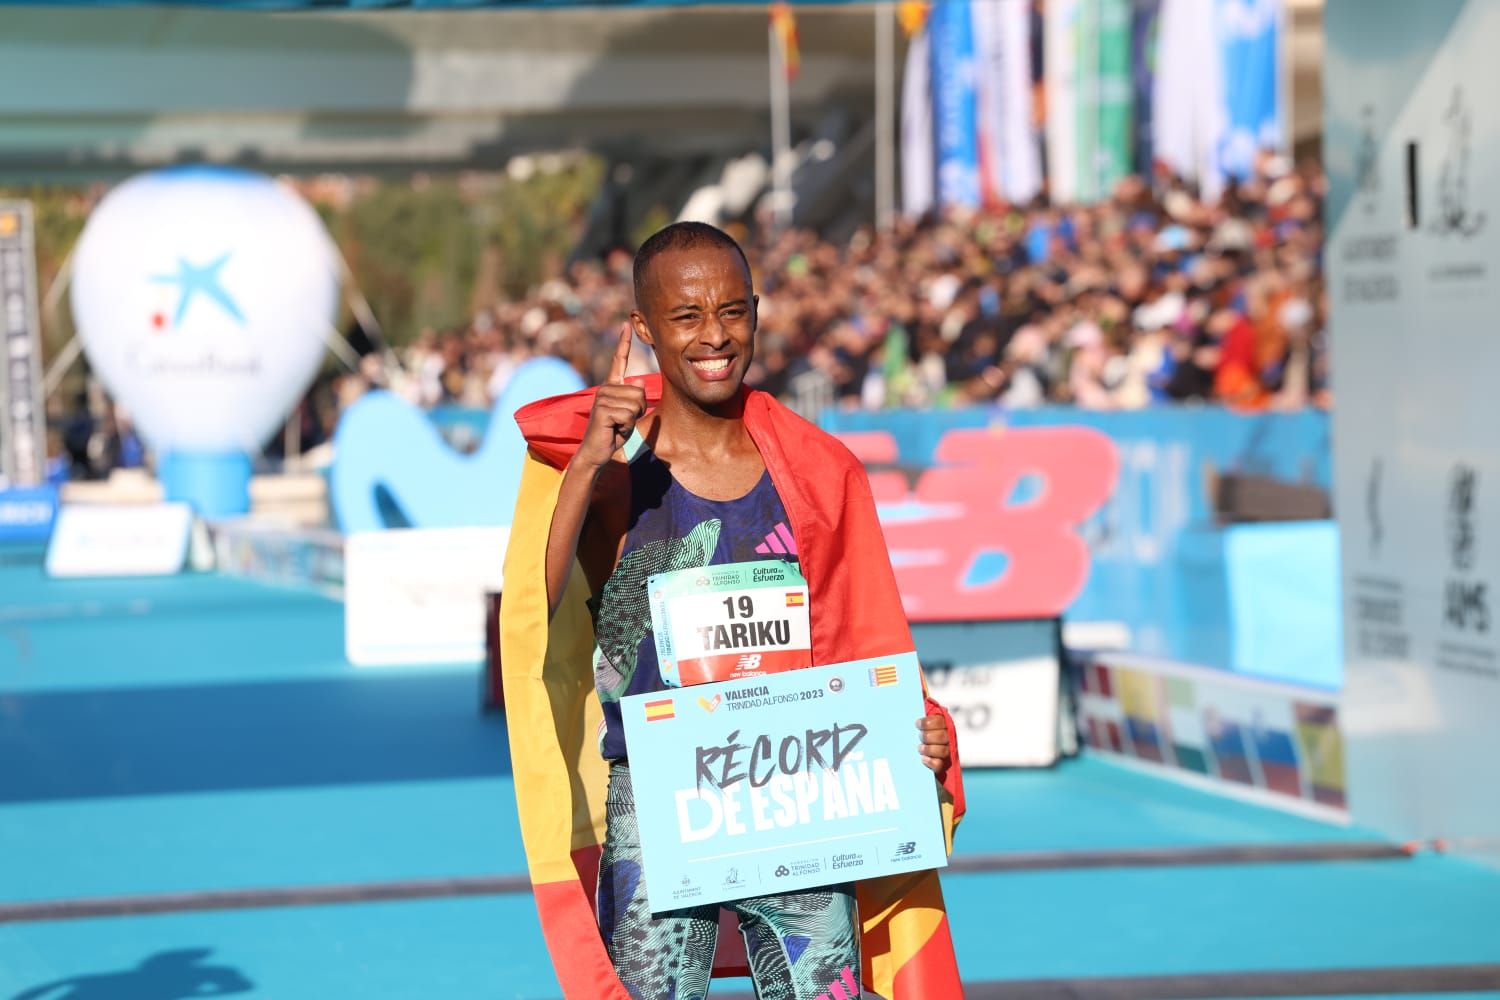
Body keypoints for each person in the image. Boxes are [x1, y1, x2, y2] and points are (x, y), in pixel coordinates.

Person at [502, 222, 965, 1000]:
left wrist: (911, 725)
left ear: (756, 311)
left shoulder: (817, 470)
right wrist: (585, 461)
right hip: (656, 792)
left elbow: (865, 633)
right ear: (643, 330)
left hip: (800, 783)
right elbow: (532, 612)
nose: (714, 336)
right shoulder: (617, 477)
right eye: (685, 317)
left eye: (733, 311)